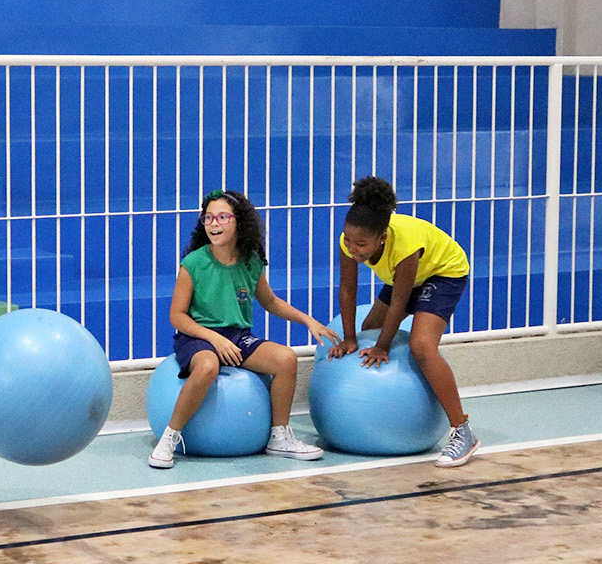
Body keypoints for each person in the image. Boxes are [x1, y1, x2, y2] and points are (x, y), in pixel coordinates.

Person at [150, 188, 338, 468]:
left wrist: (307, 320)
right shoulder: (193, 263)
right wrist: (214, 339)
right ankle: (170, 437)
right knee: (208, 366)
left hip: (237, 337)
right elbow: (177, 317)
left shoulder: (251, 261)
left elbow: (270, 301)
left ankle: (279, 437)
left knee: (286, 359)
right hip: (197, 335)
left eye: (222, 217)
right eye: (208, 218)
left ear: (239, 222)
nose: (214, 223)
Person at [329, 176, 478, 467]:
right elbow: (347, 289)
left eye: (361, 244)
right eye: (348, 240)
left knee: (422, 347)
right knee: (369, 329)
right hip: (407, 276)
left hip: (443, 272)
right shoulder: (349, 242)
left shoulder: (405, 246)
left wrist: (382, 347)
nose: (353, 249)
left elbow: (399, 304)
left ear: (382, 238)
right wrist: (350, 338)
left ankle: (462, 430)